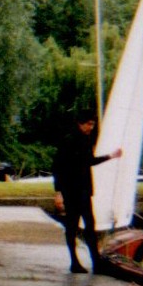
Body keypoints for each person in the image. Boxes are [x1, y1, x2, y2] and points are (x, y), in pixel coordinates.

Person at [52, 117, 124, 273]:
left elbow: (89, 161)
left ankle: (96, 262)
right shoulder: (69, 140)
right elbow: (57, 166)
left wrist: (110, 156)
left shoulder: (86, 140)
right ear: (80, 123)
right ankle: (74, 261)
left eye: (93, 125)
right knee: (72, 226)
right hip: (71, 191)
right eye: (88, 124)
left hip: (84, 191)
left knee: (90, 225)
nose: (91, 127)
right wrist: (58, 192)